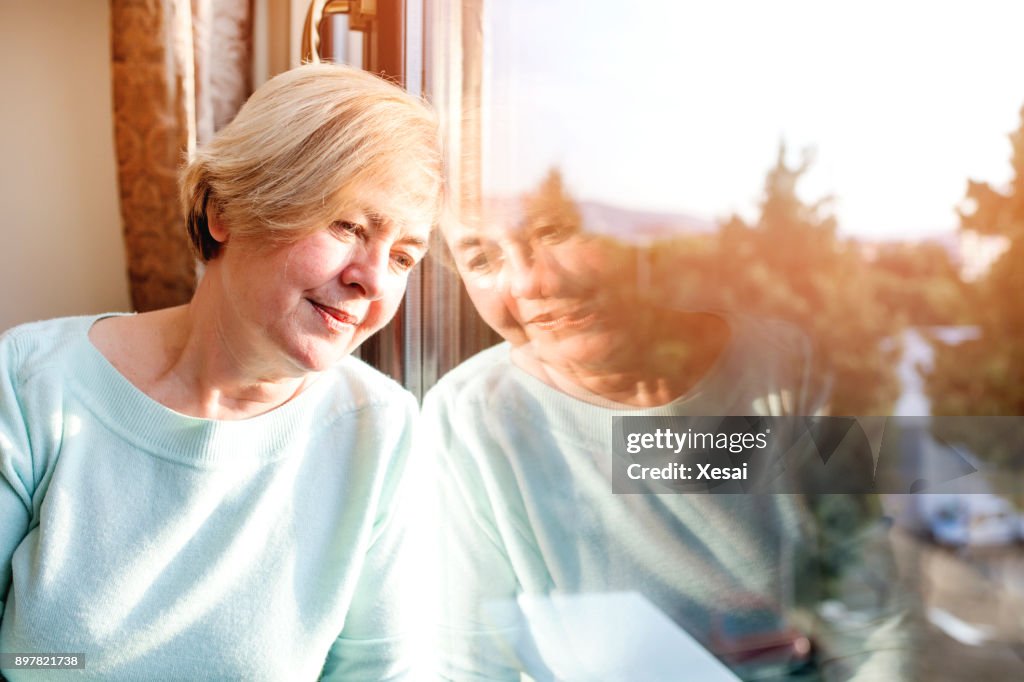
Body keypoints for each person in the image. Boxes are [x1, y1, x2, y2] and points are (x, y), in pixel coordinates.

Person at [0, 63, 443, 680]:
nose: (371, 280)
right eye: (347, 224)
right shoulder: (27, 382)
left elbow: (383, 671)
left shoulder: (380, 428)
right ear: (225, 211)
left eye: (401, 256)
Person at [425, 171, 916, 680]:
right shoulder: (472, 417)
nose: (530, 282)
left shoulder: (789, 363)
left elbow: (874, 617)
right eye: (481, 259)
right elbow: (467, 661)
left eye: (554, 230)